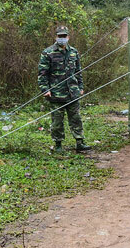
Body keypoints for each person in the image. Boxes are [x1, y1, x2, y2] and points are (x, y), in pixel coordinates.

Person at [38, 25, 91, 153]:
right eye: (60, 36)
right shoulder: (48, 52)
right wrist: (45, 89)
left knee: (76, 118)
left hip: (72, 92)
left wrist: (81, 87)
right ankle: (58, 144)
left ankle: (79, 142)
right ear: (56, 37)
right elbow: (42, 73)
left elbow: (78, 71)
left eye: (64, 36)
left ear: (68, 37)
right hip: (56, 94)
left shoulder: (74, 52)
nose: (62, 38)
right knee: (57, 121)